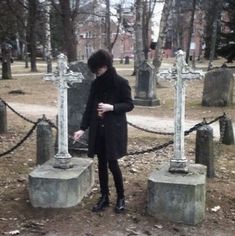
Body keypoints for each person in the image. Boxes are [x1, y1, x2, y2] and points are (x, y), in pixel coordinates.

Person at [73, 49, 134, 213]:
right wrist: (82, 128)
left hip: (113, 130)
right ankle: (104, 197)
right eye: (95, 71)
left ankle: (121, 197)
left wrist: (111, 107)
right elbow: (89, 107)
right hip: (97, 131)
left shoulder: (121, 82)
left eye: (98, 70)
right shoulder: (96, 84)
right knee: (101, 165)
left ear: (106, 66)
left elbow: (129, 104)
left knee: (113, 164)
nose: (97, 74)